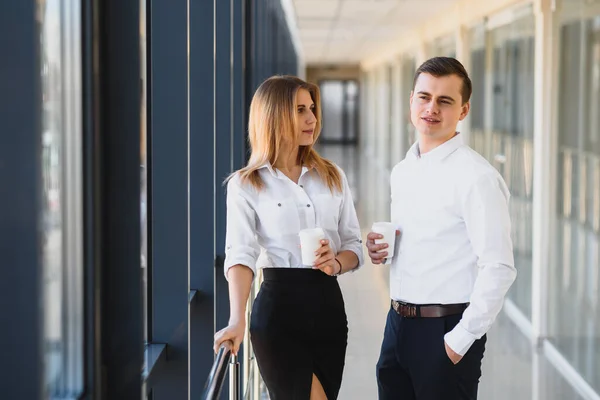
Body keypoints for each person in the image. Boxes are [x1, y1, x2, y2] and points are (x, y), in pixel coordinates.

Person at [367, 57, 517, 400]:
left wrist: (458, 342)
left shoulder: (477, 178)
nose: (431, 108)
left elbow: (499, 268)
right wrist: (383, 248)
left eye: (444, 100)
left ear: (463, 110)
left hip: (446, 330)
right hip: (397, 324)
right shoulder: (403, 170)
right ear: (411, 101)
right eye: (424, 97)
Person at [213, 75, 364, 400]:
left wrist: (335, 262)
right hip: (278, 314)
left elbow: (354, 245)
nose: (312, 118)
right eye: (299, 110)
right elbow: (240, 254)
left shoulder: (332, 175)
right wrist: (236, 319)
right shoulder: (246, 184)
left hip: (328, 310)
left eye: (312, 108)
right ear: (274, 115)